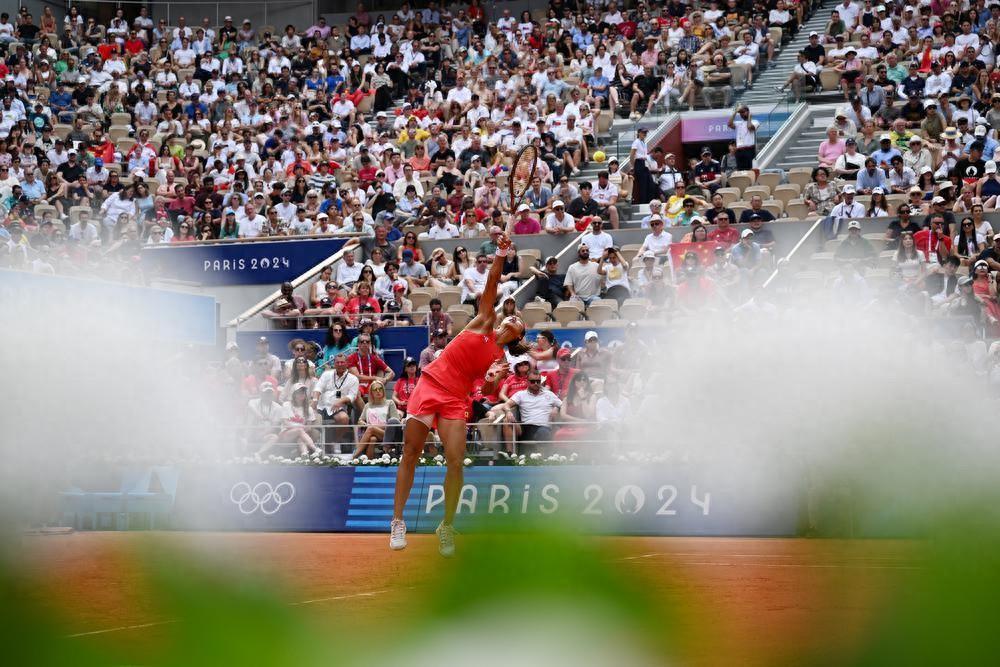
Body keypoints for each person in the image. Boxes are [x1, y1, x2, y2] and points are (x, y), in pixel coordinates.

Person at [391, 230, 529, 556]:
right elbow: (493, 284)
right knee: (411, 450)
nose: (512, 316)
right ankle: (397, 521)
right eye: (510, 314)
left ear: (518, 334)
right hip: (430, 385)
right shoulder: (484, 319)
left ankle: (447, 526)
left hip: (456, 399)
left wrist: (494, 380)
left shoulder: (501, 359)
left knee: (455, 463)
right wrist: (500, 254)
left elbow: (490, 390)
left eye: (518, 321)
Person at [503, 369, 562, 450]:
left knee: (543, 432)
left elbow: (563, 405)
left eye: (538, 381)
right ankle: (509, 455)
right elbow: (506, 405)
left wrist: (556, 408)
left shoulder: (549, 394)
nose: (536, 384)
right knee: (507, 420)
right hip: (527, 427)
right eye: (532, 381)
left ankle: (543, 458)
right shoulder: (521, 394)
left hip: (544, 427)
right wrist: (508, 412)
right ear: (527, 381)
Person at [353, 380, 401, 459]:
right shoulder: (367, 405)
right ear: (371, 392)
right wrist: (363, 423)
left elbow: (395, 422)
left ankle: (355, 455)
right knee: (372, 439)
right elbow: (360, 420)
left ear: (383, 390)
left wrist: (373, 427)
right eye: (375, 390)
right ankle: (369, 462)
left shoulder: (390, 403)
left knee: (371, 428)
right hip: (372, 433)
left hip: (387, 434)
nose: (378, 391)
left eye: (380, 389)